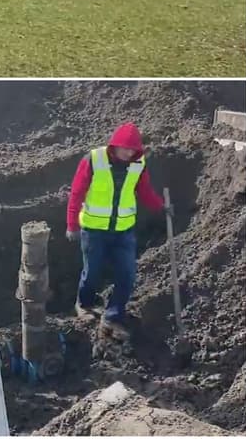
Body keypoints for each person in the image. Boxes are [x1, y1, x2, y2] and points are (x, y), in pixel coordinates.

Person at [66, 122, 168, 337]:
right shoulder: (94, 159)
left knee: (127, 274)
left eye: (133, 150)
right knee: (92, 271)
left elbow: (144, 191)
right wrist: (72, 224)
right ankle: (84, 304)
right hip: (94, 229)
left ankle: (113, 316)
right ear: (115, 145)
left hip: (123, 230)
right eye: (125, 148)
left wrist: (161, 207)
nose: (128, 153)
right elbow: (77, 192)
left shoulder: (138, 164)